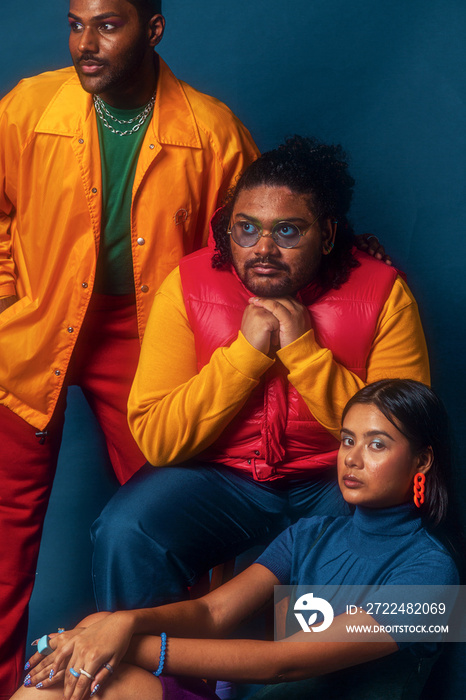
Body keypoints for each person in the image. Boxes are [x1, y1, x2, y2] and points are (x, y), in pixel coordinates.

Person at [0, 0, 262, 695]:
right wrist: (6, 295)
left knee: (164, 515)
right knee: (2, 530)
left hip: (149, 341)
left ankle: (175, 688)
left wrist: (347, 252)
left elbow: (258, 237)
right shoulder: (28, 106)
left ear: (153, 28)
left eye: (107, 24)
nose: (86, 43)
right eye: (75, 23)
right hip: (36, 327)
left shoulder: (212, 131)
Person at [91, 136, 430, 616]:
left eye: (288, 232)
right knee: (126, 529)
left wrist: (303, 351)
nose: (262, 249)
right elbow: (159, 442)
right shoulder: (187, 285)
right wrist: (245, 355)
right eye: (245, 229)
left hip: (335, 480)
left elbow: (404, 438)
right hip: (222, 478)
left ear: (328, 234)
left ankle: (306, 683)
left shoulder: (382, 293)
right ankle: (162, 685)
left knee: (399, 555)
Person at [15, 379, 460, 700]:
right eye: (347, 440)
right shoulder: (310, 533)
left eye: (377, 445)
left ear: (421, 460)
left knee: (91, 651)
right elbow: (212, 612)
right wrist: (119, 622)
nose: (352, 459)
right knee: (64, 679)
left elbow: (282, 663)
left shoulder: (435, 577)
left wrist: (117, 639)